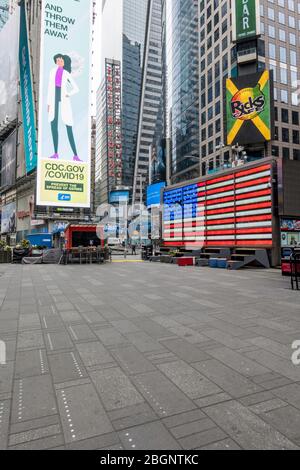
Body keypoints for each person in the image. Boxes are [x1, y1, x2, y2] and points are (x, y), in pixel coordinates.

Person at [47, 54, 81, 162]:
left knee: (68, 127)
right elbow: (49, 87)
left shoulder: (66, 73)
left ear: (63, 61)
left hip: (64, 100)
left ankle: (75, 155)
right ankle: (56, 153)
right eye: (57, 60)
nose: (59, 61)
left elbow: (76, 88)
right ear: (55, 62)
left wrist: (68, 94)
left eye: (61, 60)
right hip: (53, 101)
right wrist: (48, 104)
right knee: (53, 125)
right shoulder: (52, 71)